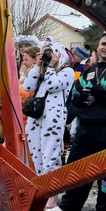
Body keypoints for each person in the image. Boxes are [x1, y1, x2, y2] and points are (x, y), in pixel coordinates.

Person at [45, 34, 106, 211]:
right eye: (103, 43)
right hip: (86, 127)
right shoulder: (88, 71)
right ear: (98, 46)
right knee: (77, 167)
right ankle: (70, 206)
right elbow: (76, 94)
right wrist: (79, 100)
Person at [22, 40, 74, 176]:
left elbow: (52, 85)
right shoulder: (42, 71)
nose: (48, 56)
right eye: (45, 52)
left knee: (50, 155)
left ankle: (52, 190)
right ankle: (42, 184)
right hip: (36, 117)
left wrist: (50, 67)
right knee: (37, 155)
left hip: (53, 119)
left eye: (50, 52)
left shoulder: (67, 71)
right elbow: (27, 87)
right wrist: (37, 66)